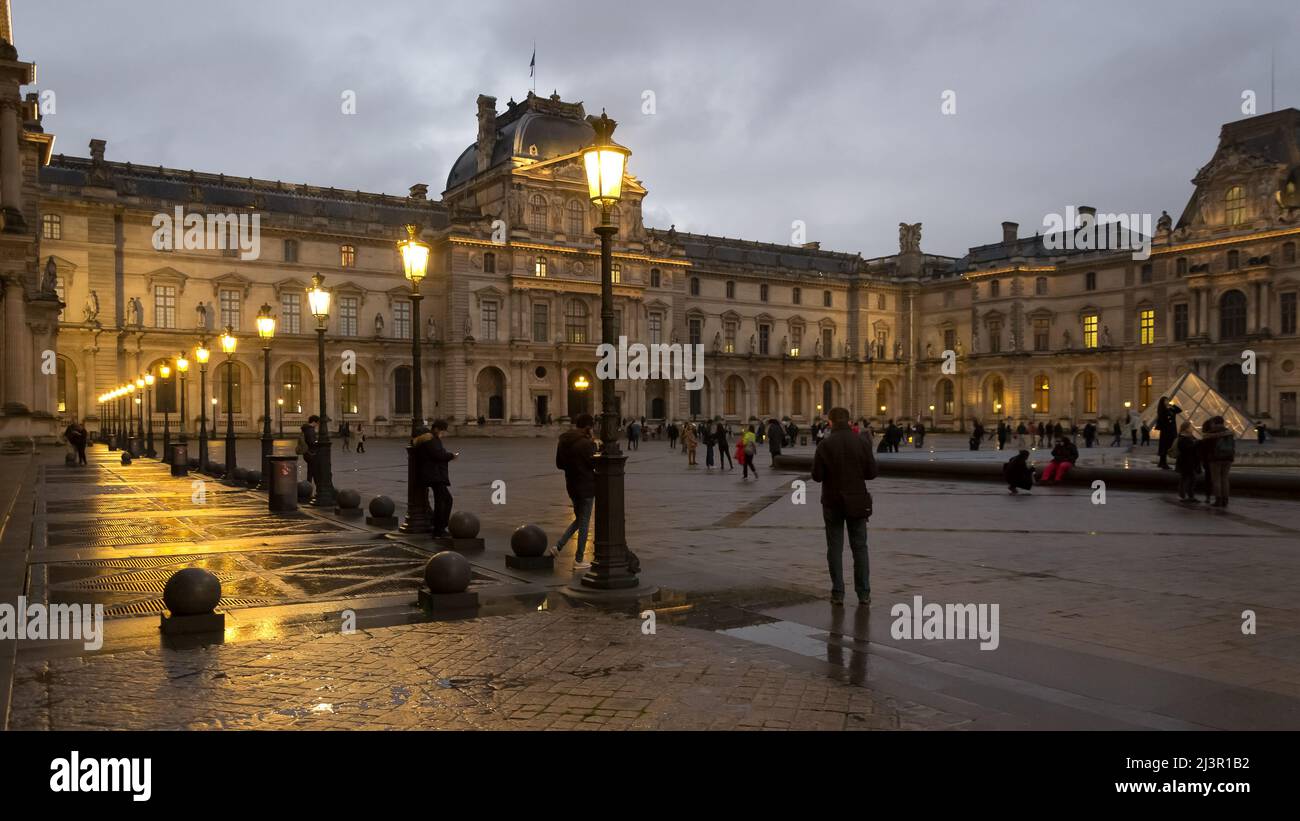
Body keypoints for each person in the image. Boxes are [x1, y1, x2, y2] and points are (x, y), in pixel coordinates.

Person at [811, 406, 879, 606]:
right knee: (860, 547)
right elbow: (872, 473)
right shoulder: (862, 442)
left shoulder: (825, 445)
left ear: (830, 422)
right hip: (857, 502)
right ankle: (864, 593)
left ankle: (838, 593)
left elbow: (817, 476)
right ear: (849, 421)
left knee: (835, 548)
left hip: (832, 501)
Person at [549, 413, 596, 569]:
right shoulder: (586, 443)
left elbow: (559, 464)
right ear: (589, 427)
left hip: (572, 485)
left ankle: (558, 547)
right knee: (584, 523)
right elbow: (594, 464)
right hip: (586, 486)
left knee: (579, 520)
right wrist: (593, 442)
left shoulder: (564, 441)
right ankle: (579, 559)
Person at [413, 420, 456, 537]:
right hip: (435, 475)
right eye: (442, 430)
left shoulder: (428, 439)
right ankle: (439, 528)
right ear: (436, 429)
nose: (443, 433)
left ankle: (438, 525)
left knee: (443, 500)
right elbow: (438, 455)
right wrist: (451, 456)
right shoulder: (431, 439)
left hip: (432, 474)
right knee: (445, 500)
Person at [1204, 416, 1235, 507]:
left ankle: (1218, 500)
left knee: (1216, 479)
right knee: (1225, 479)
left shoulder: (1212, 433)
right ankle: (1225, 500)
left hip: (1216, 458)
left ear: (1214, 423)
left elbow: (1207, 447)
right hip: (1228, 458)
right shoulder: (1229, 433)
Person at [1173, 421, 1201, 503]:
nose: (1192, 428)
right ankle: (1184, 496)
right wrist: (1196, 443)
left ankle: (1188, 496)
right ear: (1186, 428)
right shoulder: (1182, 438)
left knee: (1190, 479)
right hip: (1185, 462)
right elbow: (1186, 448)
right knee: (1186, 479)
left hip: (1190, 461)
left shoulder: (1190, 437)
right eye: (1190, 427)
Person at [297, 416, 319, 485]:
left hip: (307, 453)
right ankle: (316, 487)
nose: (317, 425)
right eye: (317, 423)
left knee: (310, 470)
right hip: (311, 453)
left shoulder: (305, 429)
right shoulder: (310, 430)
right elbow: (311, 441)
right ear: (313, 422)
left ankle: (308, 485)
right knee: (315, 471)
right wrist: (317, 442)